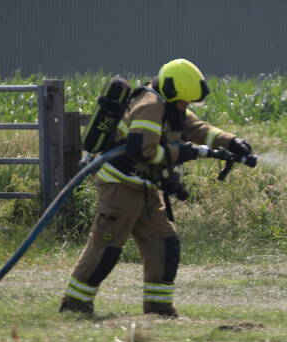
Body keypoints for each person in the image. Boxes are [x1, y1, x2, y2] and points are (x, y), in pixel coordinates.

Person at [59, 58, 251, 317]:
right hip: (120, 186)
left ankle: (158, 310)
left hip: (147, 189)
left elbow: (197, 128)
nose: (185, 107)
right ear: (171, 92)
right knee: (106, 247)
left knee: (164, 244)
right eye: (184, 102)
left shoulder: (173, 107)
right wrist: (185, 152)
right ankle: (75, 304)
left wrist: (231, 141)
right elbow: (144, 152)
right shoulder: (150, 107)